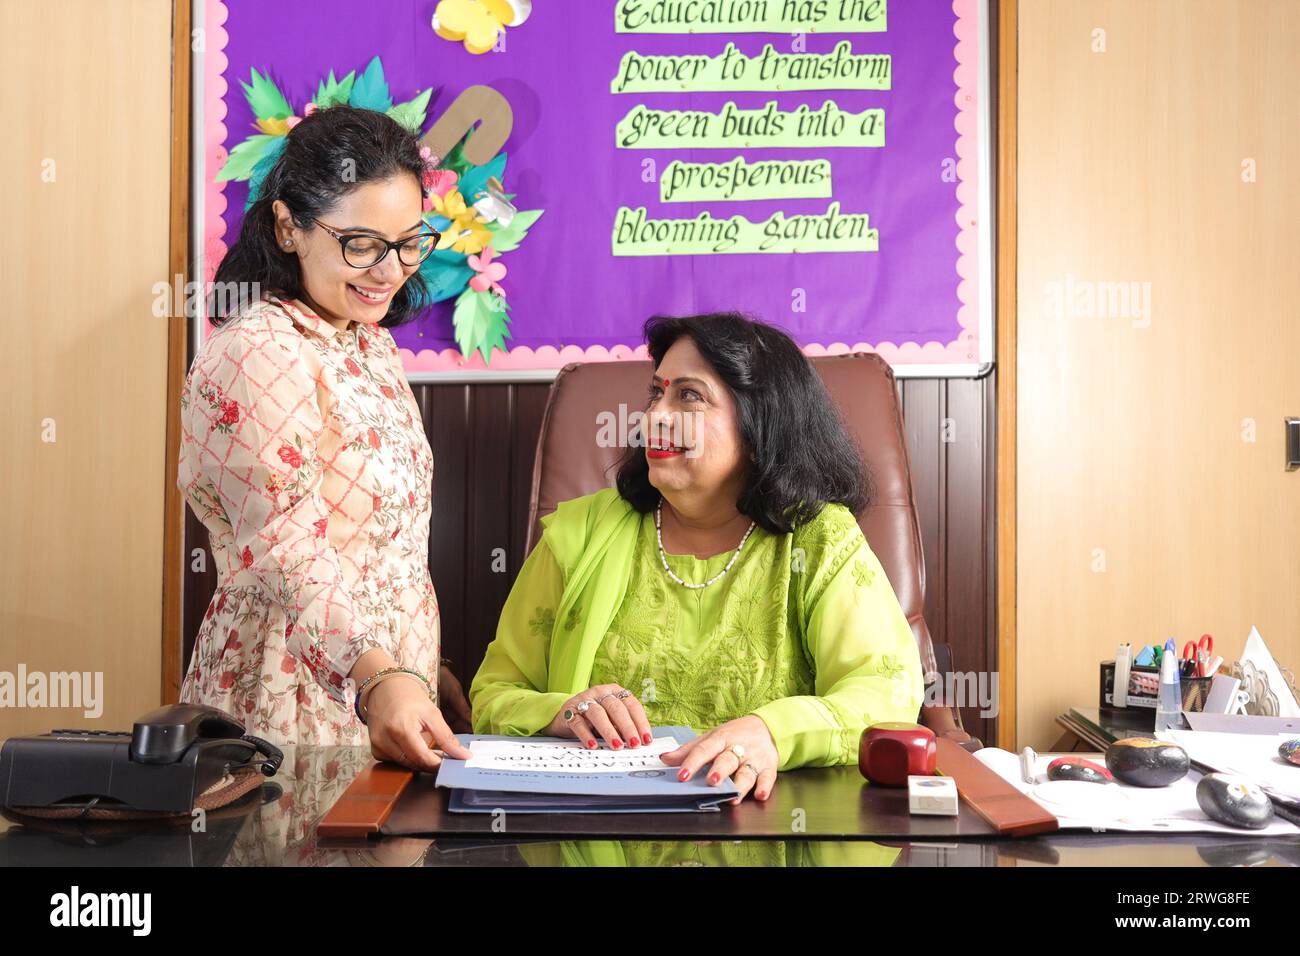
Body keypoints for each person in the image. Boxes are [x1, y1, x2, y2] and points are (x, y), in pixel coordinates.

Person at [470, 313, 925, 804]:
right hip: (597, 826)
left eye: (688, 396)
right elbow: (495, 695)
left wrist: (773, 732)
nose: (654, 417)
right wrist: (561, 713)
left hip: (770, 823)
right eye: (656, 393)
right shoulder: (579, 536)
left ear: (760, 420)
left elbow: (886, 694)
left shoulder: (818, 539)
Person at [179, 105, 471, 770]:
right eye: (361, 244)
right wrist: (377, 674)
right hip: (290, 699)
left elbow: (382, 545)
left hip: (388, 691)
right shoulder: (260, 349)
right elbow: (285, 543)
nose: (389, 270)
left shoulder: (367, 343)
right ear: (289, 227)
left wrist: (418, 665)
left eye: (408, 243)